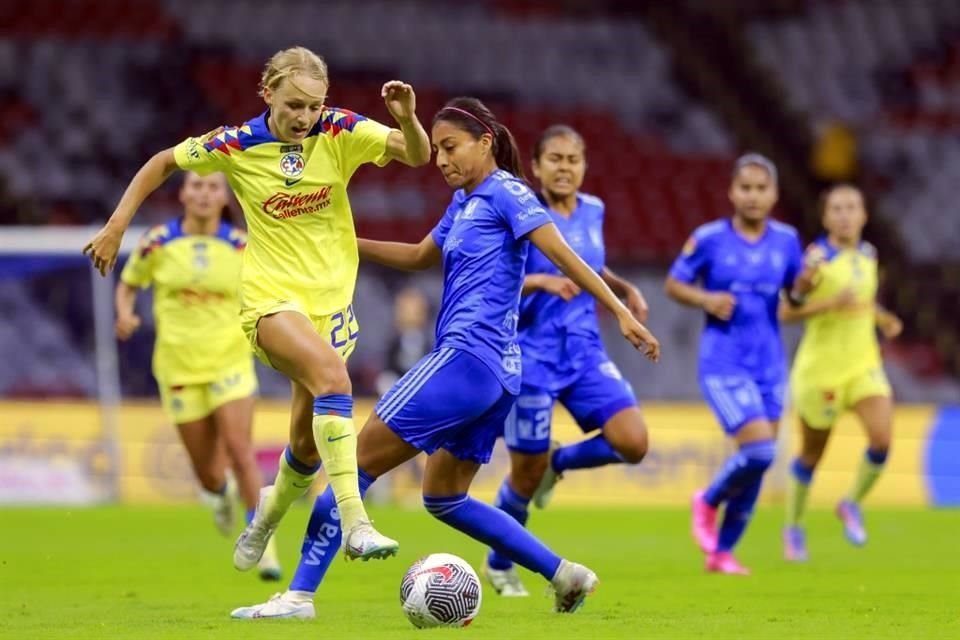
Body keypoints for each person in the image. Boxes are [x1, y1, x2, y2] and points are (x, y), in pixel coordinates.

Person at [230, 97, 659, 620]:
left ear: (485, 143)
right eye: (435, 151)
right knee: (444, 497)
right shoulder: (464, 202)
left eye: (450, 147)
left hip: (467, 359)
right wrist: (341, 240)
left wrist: (620, 312)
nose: (441, 160)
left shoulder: (507, 192)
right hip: (496, 376)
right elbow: (417, 256)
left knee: (352, 466)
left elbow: (564, 253)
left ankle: (298, 596)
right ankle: (563, 572)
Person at [83, 46, 431, 571]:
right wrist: (116, 226)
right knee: (335, 382)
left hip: (330, 309)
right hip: (270, 302)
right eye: (294, 104)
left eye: (314, 106)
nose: (304, 117)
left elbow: (417, 155)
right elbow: (161, 163)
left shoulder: (338, 132)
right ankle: (356, 521)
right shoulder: (236, 143)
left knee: (306, 445)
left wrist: (405, 116)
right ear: (267, 93)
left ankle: (264, 519)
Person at [482, 125, 652, 597]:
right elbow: (490, 280)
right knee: (524, 475)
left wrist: (622, 288)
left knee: (634, 442)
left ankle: (561, 459)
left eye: (572, 159)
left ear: (584, 166)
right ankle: (499, 564)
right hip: (530, 358)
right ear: (535, 167)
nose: (564, 167)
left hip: (583, 354)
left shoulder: (593, 209)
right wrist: (542, 283)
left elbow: (586, 263)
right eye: (553, 159)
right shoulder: (518, 212)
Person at [116, 171, 281, 580]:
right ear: (183, 194)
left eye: (213, 187)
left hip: (230, 363)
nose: (205, 194)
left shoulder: (243, 246)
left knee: (240, 449)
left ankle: (263, 542)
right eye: (197, 186)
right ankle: (220, 495)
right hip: (178, 368)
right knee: (208, 473)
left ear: (225, 196)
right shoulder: (157, 242)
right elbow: (128, 283)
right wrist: (124, 312)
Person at [665, 153, 814, 575]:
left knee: (758, 461)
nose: (753, 196)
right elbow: (674, 284)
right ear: (732, 192)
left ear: (774, 194)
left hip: (769, 362)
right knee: (761, 449)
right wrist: (706, 298)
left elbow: (794, 299)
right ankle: (707, 501)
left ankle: (722, 552)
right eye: (745, 188)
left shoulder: (786, 241)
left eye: (761, 188)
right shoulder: (710, 239)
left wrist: (803, 289)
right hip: (724, 361)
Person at [780, 184, 902, 561]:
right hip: (821, 373)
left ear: (864, 215)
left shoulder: (868, 255)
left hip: (864, 365)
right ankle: (794, 527)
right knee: (812, 456)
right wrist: (828, 301)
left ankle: (850, 504)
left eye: (852, 208)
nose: (845, 215)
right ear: (825, 217)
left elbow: (862, 301)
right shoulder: (816, 260)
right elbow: (786, 311)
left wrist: (882, 316)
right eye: (837, 209)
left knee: (882, 439)